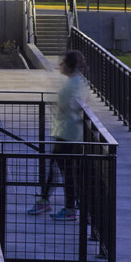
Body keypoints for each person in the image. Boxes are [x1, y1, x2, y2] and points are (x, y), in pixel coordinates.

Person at [27, 49, 88, 221]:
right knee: (56, 168)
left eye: (63, 63)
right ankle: (45, 200)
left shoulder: (76, 83)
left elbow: (76, 104)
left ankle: (69, 208)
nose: (60, 65)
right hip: (65, 131)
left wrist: (64, 106)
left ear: (69, 66)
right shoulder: (76, 81)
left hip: (69, 134)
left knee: (65, 171)